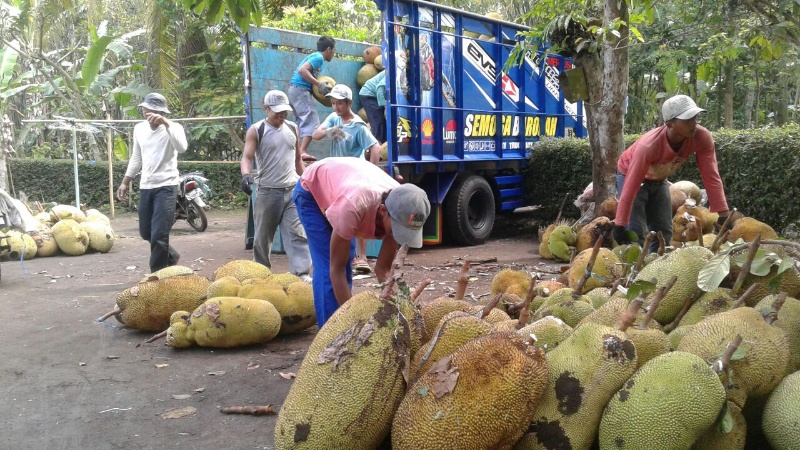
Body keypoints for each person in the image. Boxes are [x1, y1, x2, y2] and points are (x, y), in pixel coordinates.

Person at [292, 157, 431, 328]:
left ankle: (341, 319)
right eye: (396, 228)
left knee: (346, 256)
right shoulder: (353, 207)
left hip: (346, 184)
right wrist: (355, 322)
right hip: (312, 189)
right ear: (382, 211)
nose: (398, 234)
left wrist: (396, 307)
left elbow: (383, 269)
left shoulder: (402, 206)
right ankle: (330, 332)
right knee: (329, 263)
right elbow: (336, 270)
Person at [612, 94, 734, 251]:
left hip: (659, 179)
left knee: (663, 231)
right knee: (635, 230)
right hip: (629, 175)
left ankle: (654, 265)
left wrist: (723, 213)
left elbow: (711, 176)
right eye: (687, 120)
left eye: (695, 118)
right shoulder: (648, 146)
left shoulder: (701, 137)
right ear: (670, 124)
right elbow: (631, 186)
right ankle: (633, 270)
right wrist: (620, 223)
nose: (694, 124)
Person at [240, 90, 312, 281]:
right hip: (267, 192)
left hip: (292, 191)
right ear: (266, 108)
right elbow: (247, 157)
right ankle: (260, 274)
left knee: (298, 234)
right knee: (263, 238)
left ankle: (301, 273)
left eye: (284, 112)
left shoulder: (292, 128)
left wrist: (306, 182)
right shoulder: (257, 130)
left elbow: (298, 159)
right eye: (277, 112)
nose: (281, 116)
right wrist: (246, 175)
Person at [313, 84, 382, 274]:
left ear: (349, 103)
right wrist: (329, 132)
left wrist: (371, 171)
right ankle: (342, 255)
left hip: (353, 176)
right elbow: (315, 135)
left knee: (357, 214)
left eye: (339, 104)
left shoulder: (358, 126)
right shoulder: (333, 118)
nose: (336, 107)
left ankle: (362, 257)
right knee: (334, 213)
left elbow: (375, 147)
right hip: (336, 174)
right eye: (333, 103)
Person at [117, 93, 187, 273]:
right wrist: (126, 182)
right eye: (146, 110)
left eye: (153, 112)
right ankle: (171, 256)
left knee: (159, 234)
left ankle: (156, 276)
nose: (149, 115)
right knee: (146, 232)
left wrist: (166, 123)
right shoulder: (139, 129)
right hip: (146, 186)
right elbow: (136, 157)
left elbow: (182, 147)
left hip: (167, 186)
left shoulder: (173, 127)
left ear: (162, 112)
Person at [288, 36, 336, 164]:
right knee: (312, 119)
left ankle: (298, 152)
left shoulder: (315, 56)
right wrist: (318, 84)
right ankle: (302, 151)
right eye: (334, 50)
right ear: (329, 49)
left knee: (301, 123)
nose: (333, 53)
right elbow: (302, 70)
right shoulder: (318, 57)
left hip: (295, 90)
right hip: (300, 89)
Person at [358, 70, 387, 144]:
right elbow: (380, 88)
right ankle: (377, 150)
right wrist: (385, 107)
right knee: (378, 124)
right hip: (369, 94)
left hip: (375, 95)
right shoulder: (397, 70)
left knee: (384, 124)